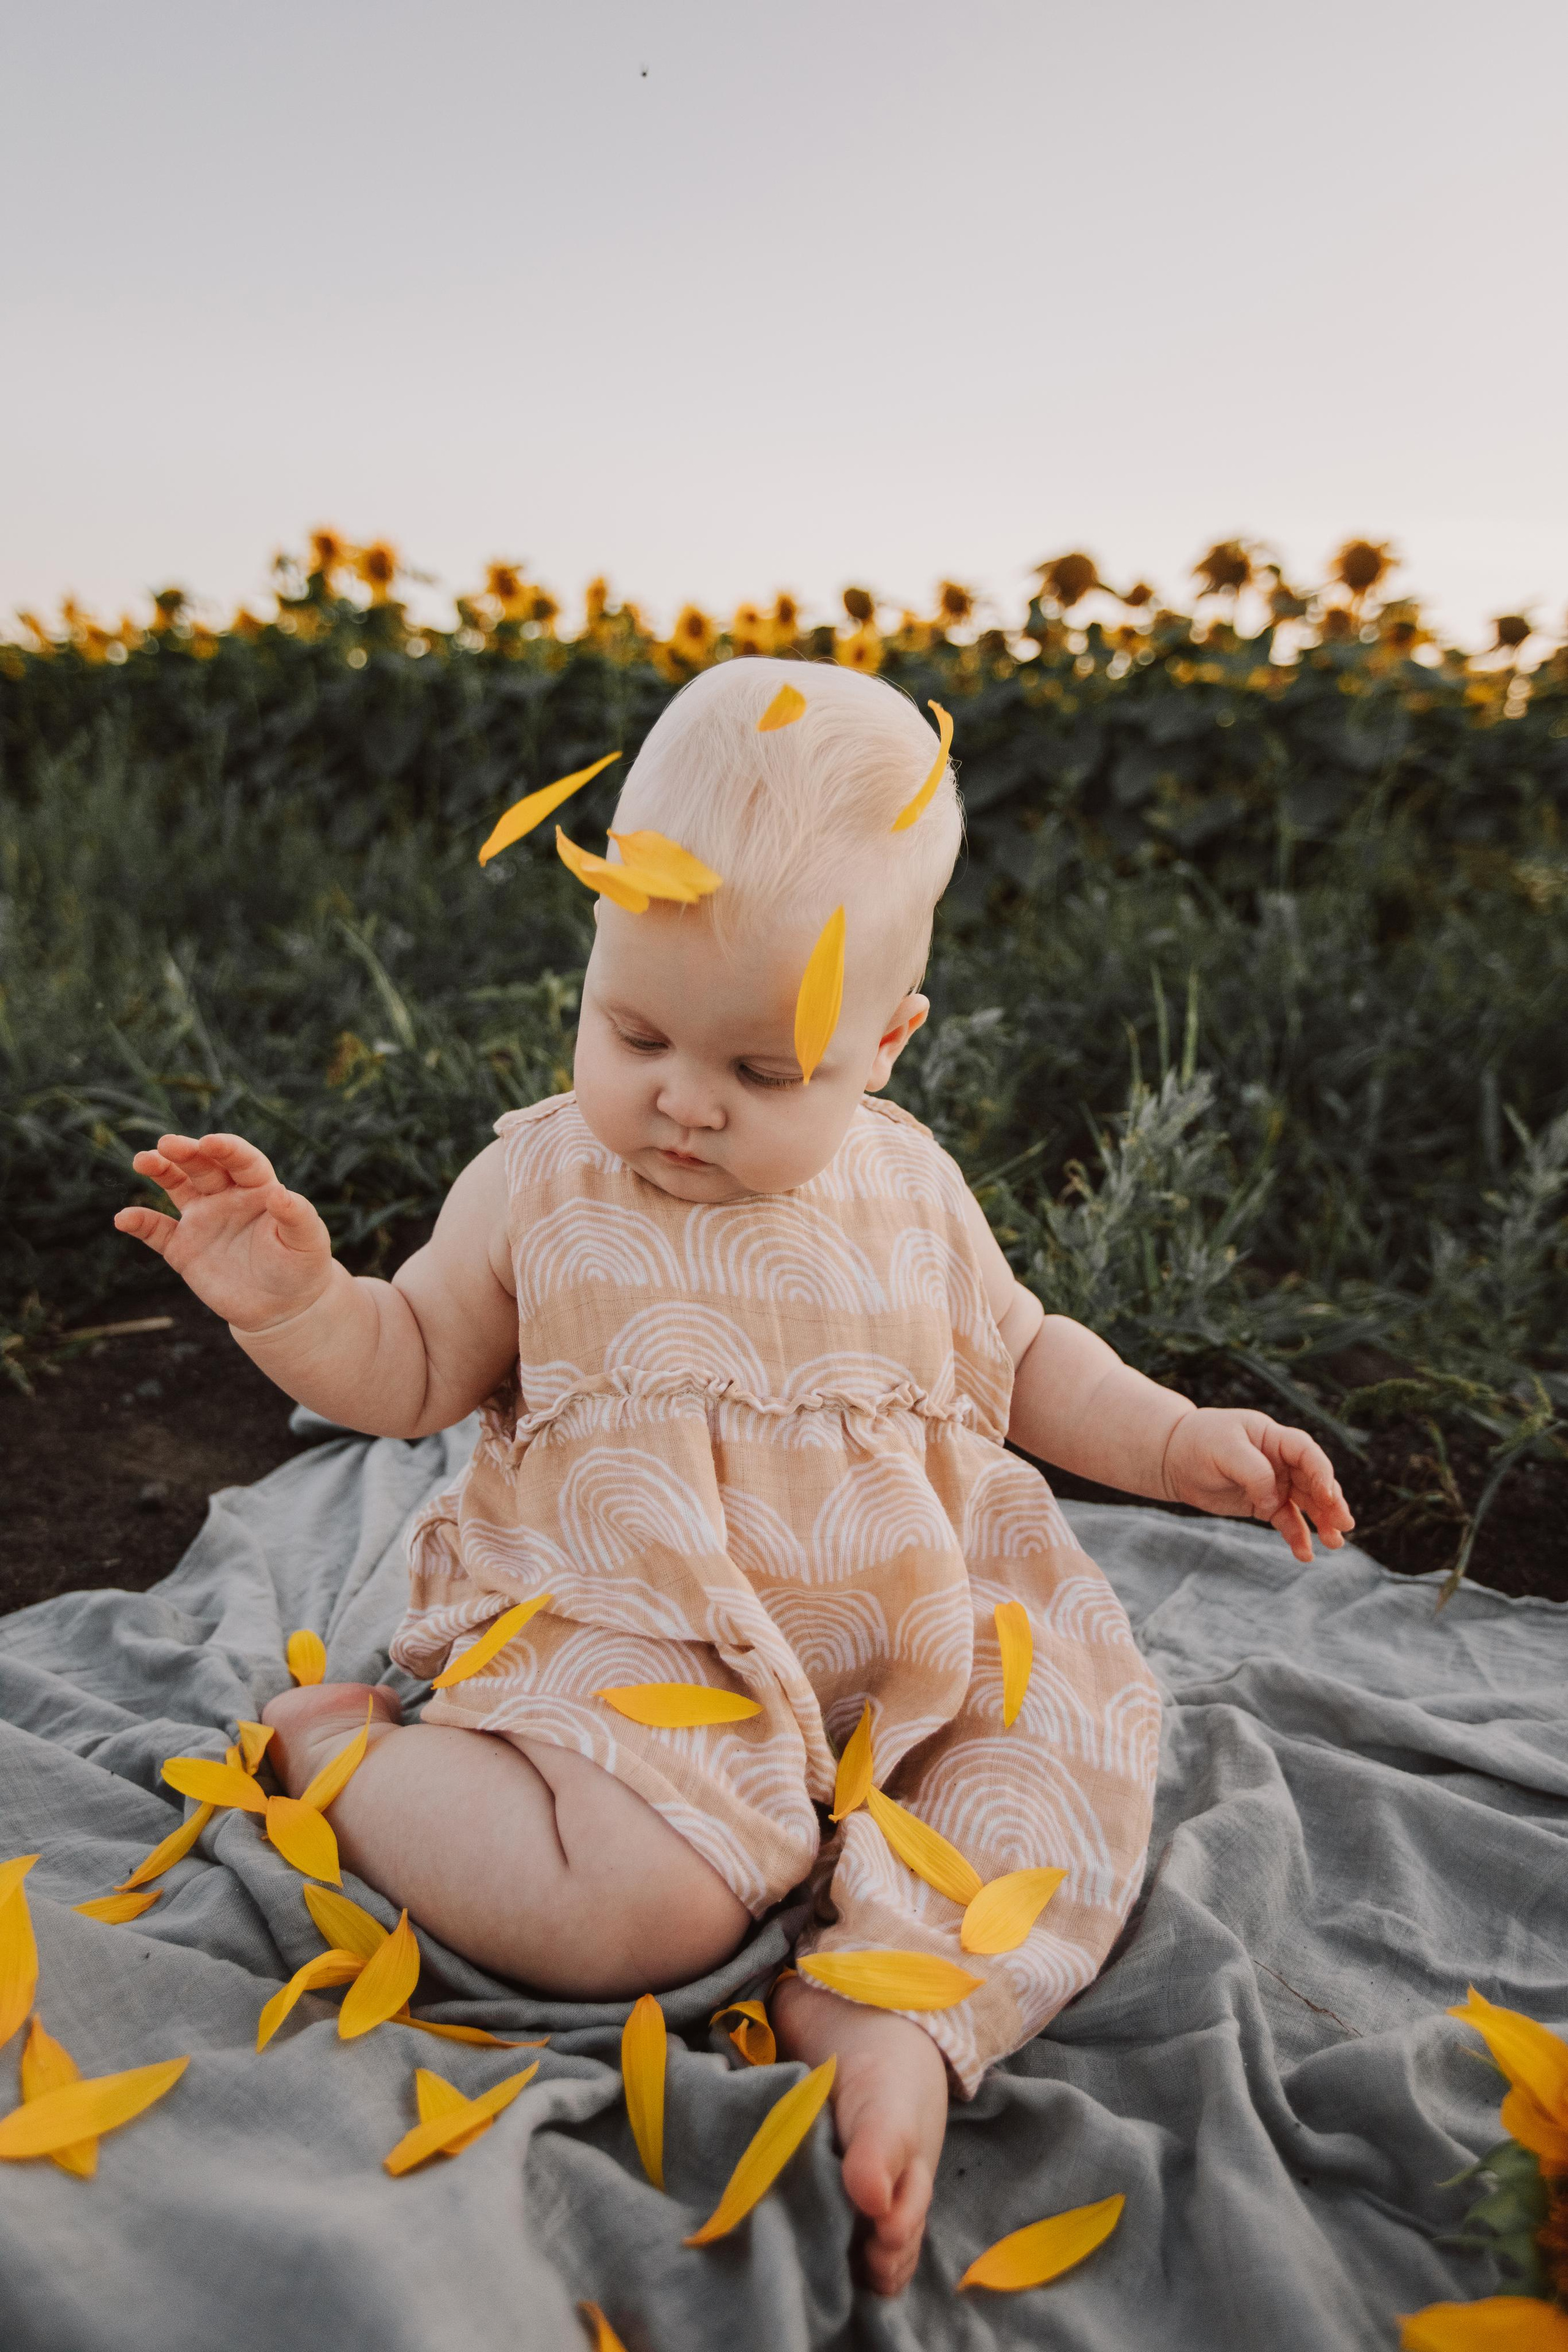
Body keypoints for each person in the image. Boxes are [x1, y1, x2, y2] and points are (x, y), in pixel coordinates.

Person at [115, 657, 1352, 2295]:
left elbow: (1022, 1352)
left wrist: (1181, 1440)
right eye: (634, 1031)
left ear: (887, 1043)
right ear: (597, 966)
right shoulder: (542, 1177)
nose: (684, 1100)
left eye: (767, 1072)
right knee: (642, 1911)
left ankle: (893, 2012)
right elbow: (409, 1368)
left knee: (1060, 1762)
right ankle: (346, 1762)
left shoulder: (911, 1187)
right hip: (642, 1623)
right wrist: (297, 1302)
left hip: (902, 1613)